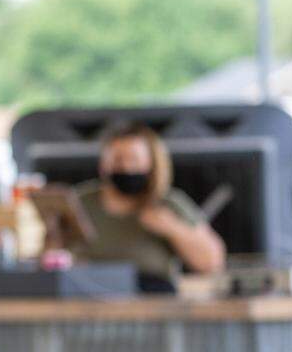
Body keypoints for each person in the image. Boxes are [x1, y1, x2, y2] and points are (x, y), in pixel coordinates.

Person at [70, 122, 226, 289]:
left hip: (151, 295)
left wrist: (173, 228)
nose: (126, 167)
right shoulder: (78, 202)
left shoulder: (167, 203)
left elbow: (211, 263)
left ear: (151, 163)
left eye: (134, 159)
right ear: (103, 164)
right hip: (89, 293)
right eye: (117, 159)